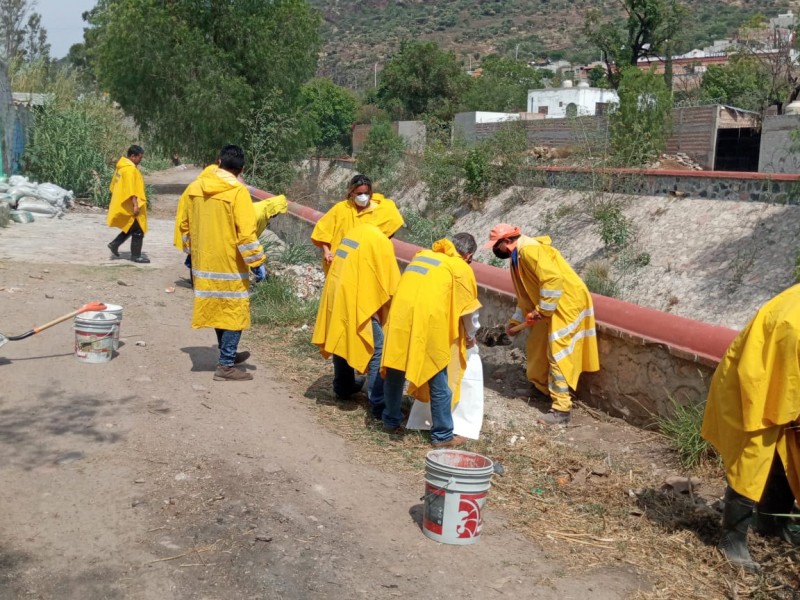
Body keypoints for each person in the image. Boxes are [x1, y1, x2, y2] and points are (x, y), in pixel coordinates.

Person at [701, 284, 800, 572]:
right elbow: (784, 385)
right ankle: (732, 542)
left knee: (784, 452)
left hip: (781, 379)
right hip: (756, 387)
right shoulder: (792, 322)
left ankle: (771, 523)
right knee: (752, 459)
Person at [486, 224, 599, 426]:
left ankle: (562, 409)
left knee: (558, 353)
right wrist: (516, 321)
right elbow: (526, 295)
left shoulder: (529, 250)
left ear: (505, 242)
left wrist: (543, 309)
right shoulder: (517, 257)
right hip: (548, 306)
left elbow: (553, 279)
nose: (495, 251)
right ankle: (541, 390)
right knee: (536, 346)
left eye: (496, 246)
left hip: (566, 304)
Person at [381, 233, 481, 448]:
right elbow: (469, 311)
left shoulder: (422, 256)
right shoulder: (460, 268)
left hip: (400, 319)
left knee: (395, 370)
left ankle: (390, 419)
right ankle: (443, 435)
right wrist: (471, 336)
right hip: (427, 326)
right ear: (469, 255)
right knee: (438, 378)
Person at [178, 144, 267, 381]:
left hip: (203, 263)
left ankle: (228, 353)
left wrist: (191, 253)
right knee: (234, 312)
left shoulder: (195, 187)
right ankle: (226, 365)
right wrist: (258, 262)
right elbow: (246, 235)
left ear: (218, 162)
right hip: (229, 264)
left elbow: (184, 225)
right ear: (242, 169)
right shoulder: (238, 192)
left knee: (219, 310)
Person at [312, 223, 401, 416]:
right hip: (354, 301)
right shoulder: (379, 241)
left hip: (339, 294)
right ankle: (378, 402)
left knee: (340, 337)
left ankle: (343, 387)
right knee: (378, 346)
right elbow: (392, 284)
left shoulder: (356, 232)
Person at [174, 162, 287, 285]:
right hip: (221, 248)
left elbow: (186, 223)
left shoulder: (196, 188)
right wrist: (258, 264)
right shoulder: (251, 207)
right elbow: (247, 238)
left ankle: (196, 276)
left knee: (197, 253)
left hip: (205, 234)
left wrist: (190, 246)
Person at [311, 173, 404, 276]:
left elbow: (388, 233)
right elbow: (323, 230)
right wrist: (327, 251)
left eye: (366, 193)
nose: (363, 197)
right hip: (340, 265)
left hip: (366, 266)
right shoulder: (341, 209)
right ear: (351, 193)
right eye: (359, 194)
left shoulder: (381, 211)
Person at [107, 145, 149, 263]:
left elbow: (114, 185)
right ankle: (136, 256)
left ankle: (114, 244)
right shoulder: (130, 169)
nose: (141, 160)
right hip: (130, 203)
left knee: (131, 226)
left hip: (123, 202)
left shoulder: (121, 168)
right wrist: (135, 205)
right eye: (140, 157)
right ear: (132, 156)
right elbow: (131, 190)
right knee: (138, 229)